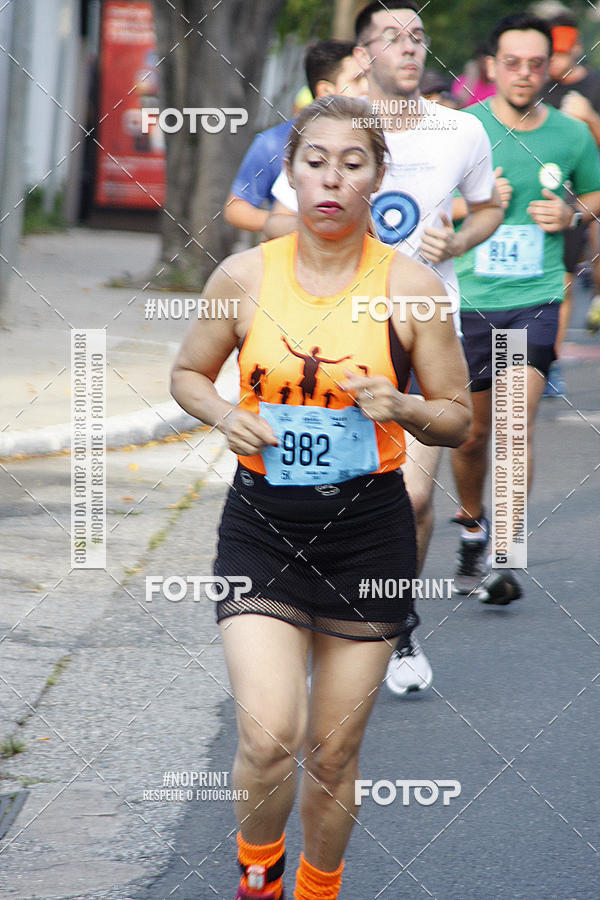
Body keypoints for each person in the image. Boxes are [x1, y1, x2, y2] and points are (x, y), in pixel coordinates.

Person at [171, 96, 472, 900]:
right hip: (263, 530)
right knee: (271, 735)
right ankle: (257, 877)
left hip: (366, 538)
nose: (332, 179)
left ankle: (315, 890)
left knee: (334, 752)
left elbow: (456, 417)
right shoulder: (242, 276)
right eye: (315, 162)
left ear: (378, 178)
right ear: (291, 173)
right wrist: (227, 414)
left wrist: (404, 407)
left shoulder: (409, 288)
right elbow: (188, 374)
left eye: (352, 163)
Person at [264, 0, 503, 696]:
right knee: (318, 483)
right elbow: (282, 212)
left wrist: (459, 240)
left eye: (418, 36)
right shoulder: (332, 130)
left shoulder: (462, 130)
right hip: (333, 334)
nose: (410, 47)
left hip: (422, 332)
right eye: (392, 37)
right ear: (363, 55)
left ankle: (394, 622)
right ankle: (313, 611)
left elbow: (487, 205)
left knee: (415, 494)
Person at [450, 13, 600, 603]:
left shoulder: (571, 133)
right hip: (467, 302)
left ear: (550, 68)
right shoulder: (461, 130)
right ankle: (471, 525)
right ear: (492, 66)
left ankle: (504, 556)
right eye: (511, 62)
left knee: (514, 427)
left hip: (532, 299)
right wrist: (471, 209)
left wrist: (571, 214)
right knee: (468, 437)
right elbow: (422, 208)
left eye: (536, 63)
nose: (524, 73)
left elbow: (594, 191)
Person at [223, 40, 367, 233]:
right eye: (357, 79)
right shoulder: (274, 141)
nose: (367, 88)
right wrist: (293, 225)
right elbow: (235, 208)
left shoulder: (379, 138)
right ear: (325, 91)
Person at [540, 12, 600, 358]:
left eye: (562, 52)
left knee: (564, 279)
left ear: (576, 48)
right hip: (548, 189)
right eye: (552, 53)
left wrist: (590, 117)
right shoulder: (538, 87)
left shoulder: (594, 85)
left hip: (586, 188)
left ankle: (552, 361)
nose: (556, 60)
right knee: (550, 282)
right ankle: (545, 361)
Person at [451, 43, 496, 108]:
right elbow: (456, 106)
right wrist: (471, 78)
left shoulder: (499, 85)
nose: (485, 67)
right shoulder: (462, 81)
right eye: (483, 62)